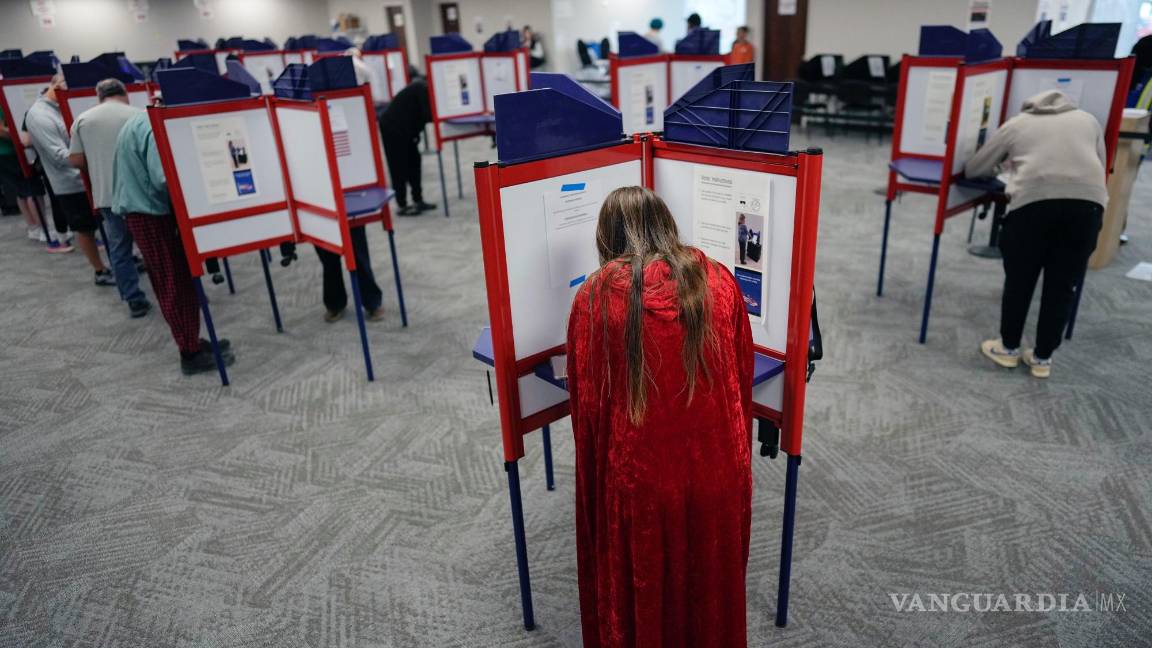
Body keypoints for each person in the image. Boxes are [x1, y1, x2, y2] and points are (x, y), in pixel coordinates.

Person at [566, 186, 754, 648]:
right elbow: (742, 376)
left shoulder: (594, 298)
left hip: (642, 483)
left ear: (607, 238)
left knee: (646, 599)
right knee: (710, 594)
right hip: (718, 472)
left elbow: (587, 413)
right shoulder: (719, 279)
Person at [968, 90, 1107, 379]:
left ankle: (1007, 349)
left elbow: (975, 168)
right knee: (1062, 284)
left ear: (1030, 105)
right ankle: (1043, 358)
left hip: (1032, 208)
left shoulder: (1018, 124)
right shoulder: (1088, 121)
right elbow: (1101, 165)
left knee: (1020, 280)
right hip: (1087, 209)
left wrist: (1003, 166)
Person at [111, 109, 235, 375]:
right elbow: (163, 178)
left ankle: (191, 340)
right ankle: (189, 354)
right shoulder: (154, 126)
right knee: (173, 282)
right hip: (151, 213)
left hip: (146, 210)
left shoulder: (143, 118)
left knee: (177, 279)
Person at [68, 79, 151, 318]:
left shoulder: (84, 120)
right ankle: (166, 291)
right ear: (124, 93)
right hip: (141, 194)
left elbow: (75, 160)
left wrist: (97, 163)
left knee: (119, 247)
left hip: (107, 194)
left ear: (99, 96)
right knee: (152, 246)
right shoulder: (140, 115)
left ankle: (134, 299)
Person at [24, 73, 113, 283]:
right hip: (71, 183)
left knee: (107, 224)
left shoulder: (67, 105)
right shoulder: (39, 115)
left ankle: (118, 262)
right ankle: (100, 271)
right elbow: (58, 154)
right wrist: (98, 161)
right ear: (54, 85)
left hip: (93, 178)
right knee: (84, 228)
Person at [0, 104, 56, 247]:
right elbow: (2, 130)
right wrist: (21, 137)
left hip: (5, 154)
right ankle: (43, 228)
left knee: (21, 191)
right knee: (33, 190)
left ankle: (34, 227)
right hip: (12, 152)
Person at [378, 78, 436, 216]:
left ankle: (418, 199)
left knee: (414, 162)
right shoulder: (422, 89)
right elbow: (428, 115)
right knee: (398, 166)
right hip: (392, 127)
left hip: (408, 129)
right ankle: (402, 205)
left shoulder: (423, 88)